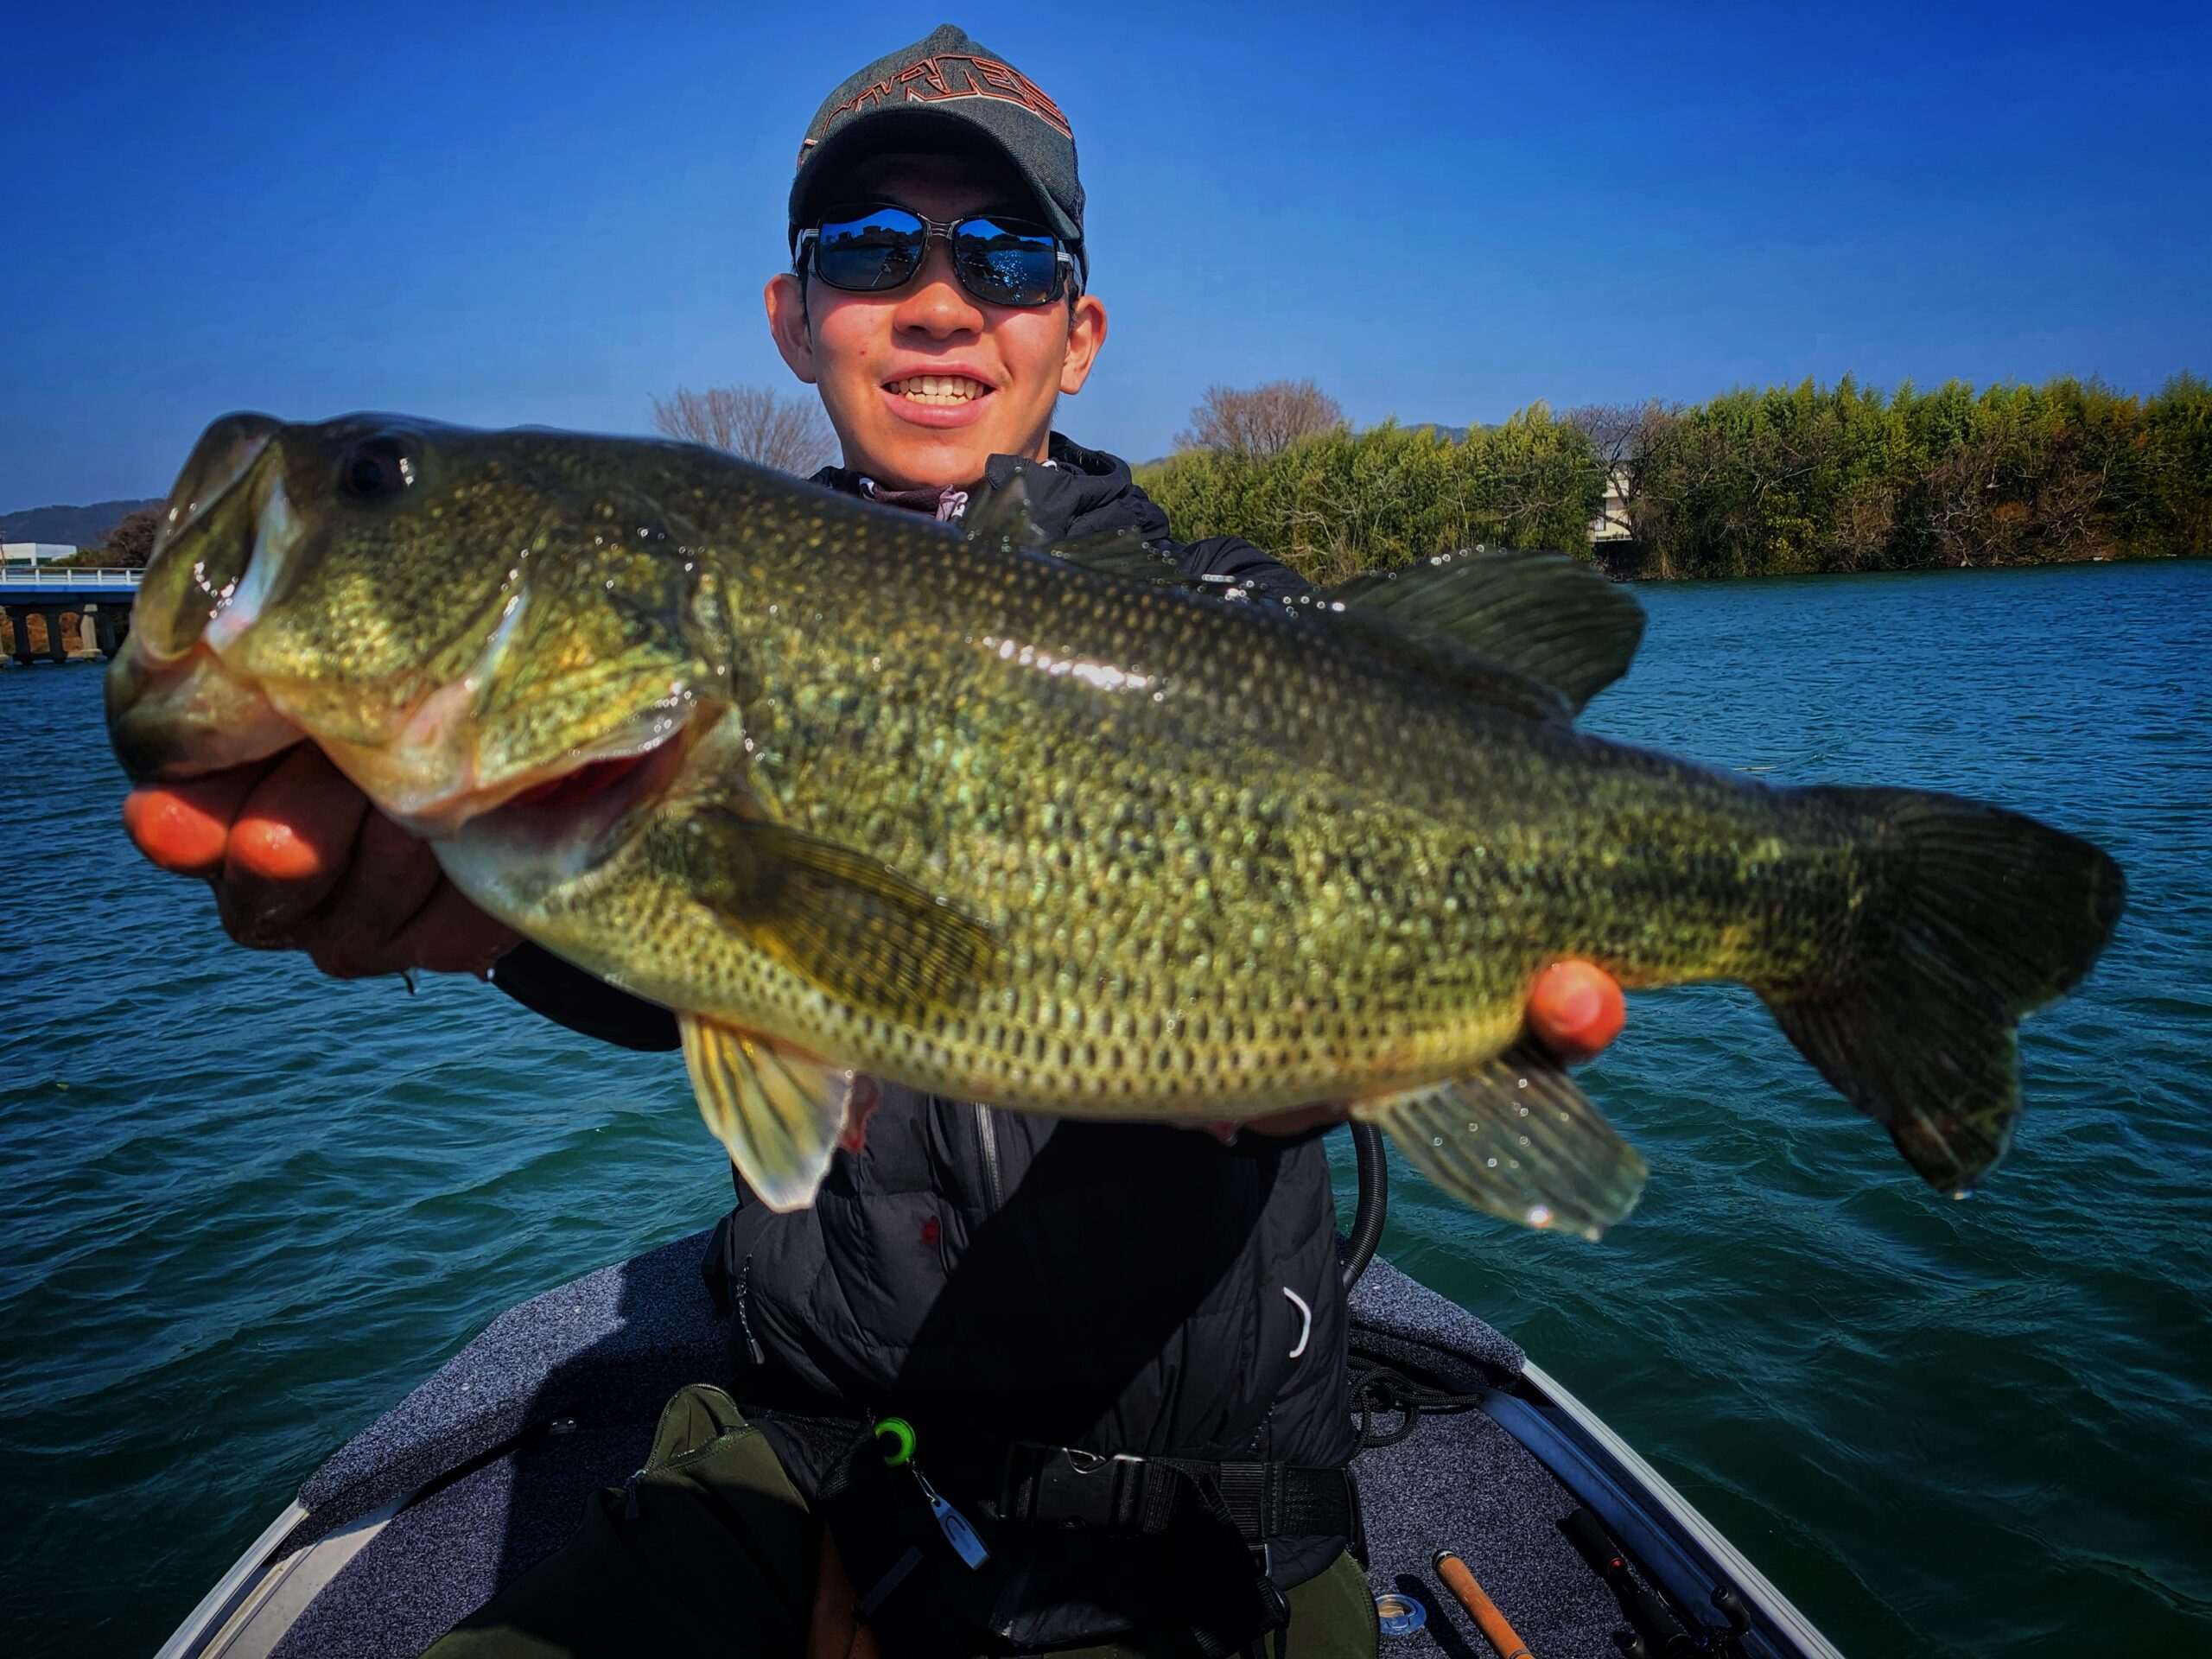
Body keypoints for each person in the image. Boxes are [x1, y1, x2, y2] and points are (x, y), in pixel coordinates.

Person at [122, 25, 1627, 1658]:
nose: (937, 295)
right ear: (792, 317)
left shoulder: (1248, 622)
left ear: (1082, 330)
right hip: (813, 1482)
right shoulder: (691, 664)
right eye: (867, 247)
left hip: (1219, 1539)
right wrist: (481, 910)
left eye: (1007, 252)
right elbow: (710, 958)